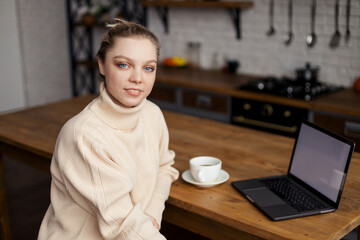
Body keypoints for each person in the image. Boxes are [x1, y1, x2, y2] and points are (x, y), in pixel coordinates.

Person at [38, 19, 179, 240]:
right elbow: (122, 224)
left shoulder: (152, 113)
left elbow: (165, 168)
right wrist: (143, 226)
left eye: (148, 68)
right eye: (124, 64)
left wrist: (152, 213)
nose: (137, 78)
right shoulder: (84, 134)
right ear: (102, 65)